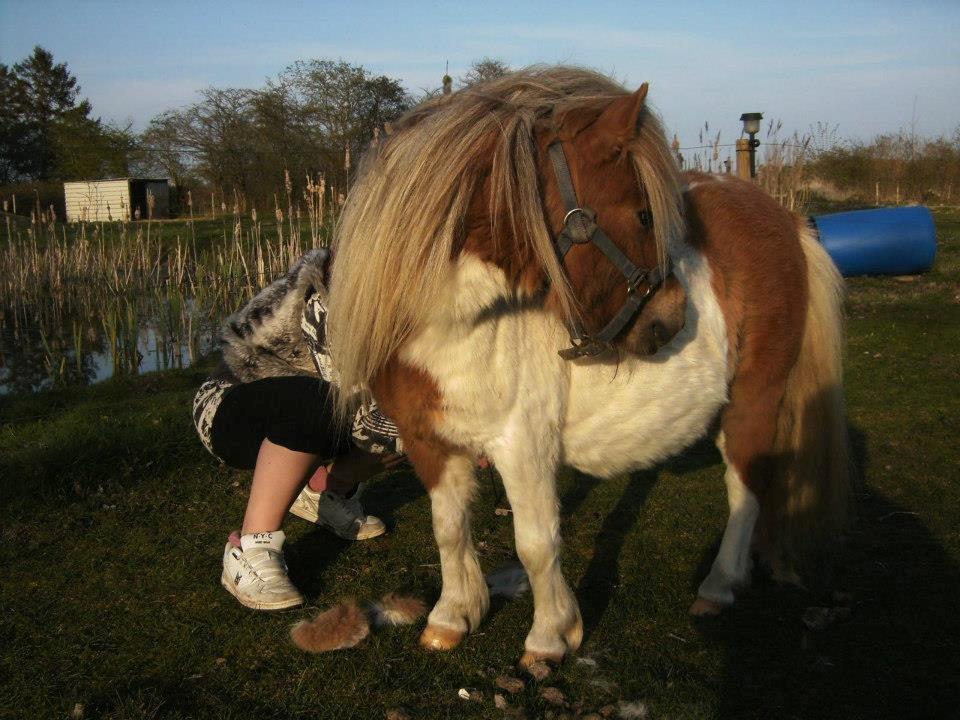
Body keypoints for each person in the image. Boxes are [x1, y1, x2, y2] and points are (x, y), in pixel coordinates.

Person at [192, 248, 403, 611]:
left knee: (406, 419)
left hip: (311, 408)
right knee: (330, 405)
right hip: (227, 407)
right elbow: (358, 409)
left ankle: (323, 491)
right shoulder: (335, 287)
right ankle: (250, 547)